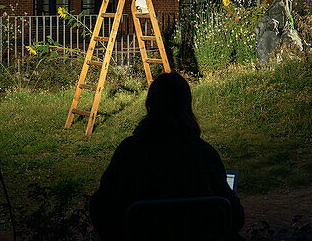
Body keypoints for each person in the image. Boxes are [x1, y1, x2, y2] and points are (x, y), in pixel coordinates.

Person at [89, 72, 245, 241]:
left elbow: (100, 209)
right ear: (187, 106)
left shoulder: (129, 151)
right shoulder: (205, 154)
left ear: (149, 105)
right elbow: (234, 217)